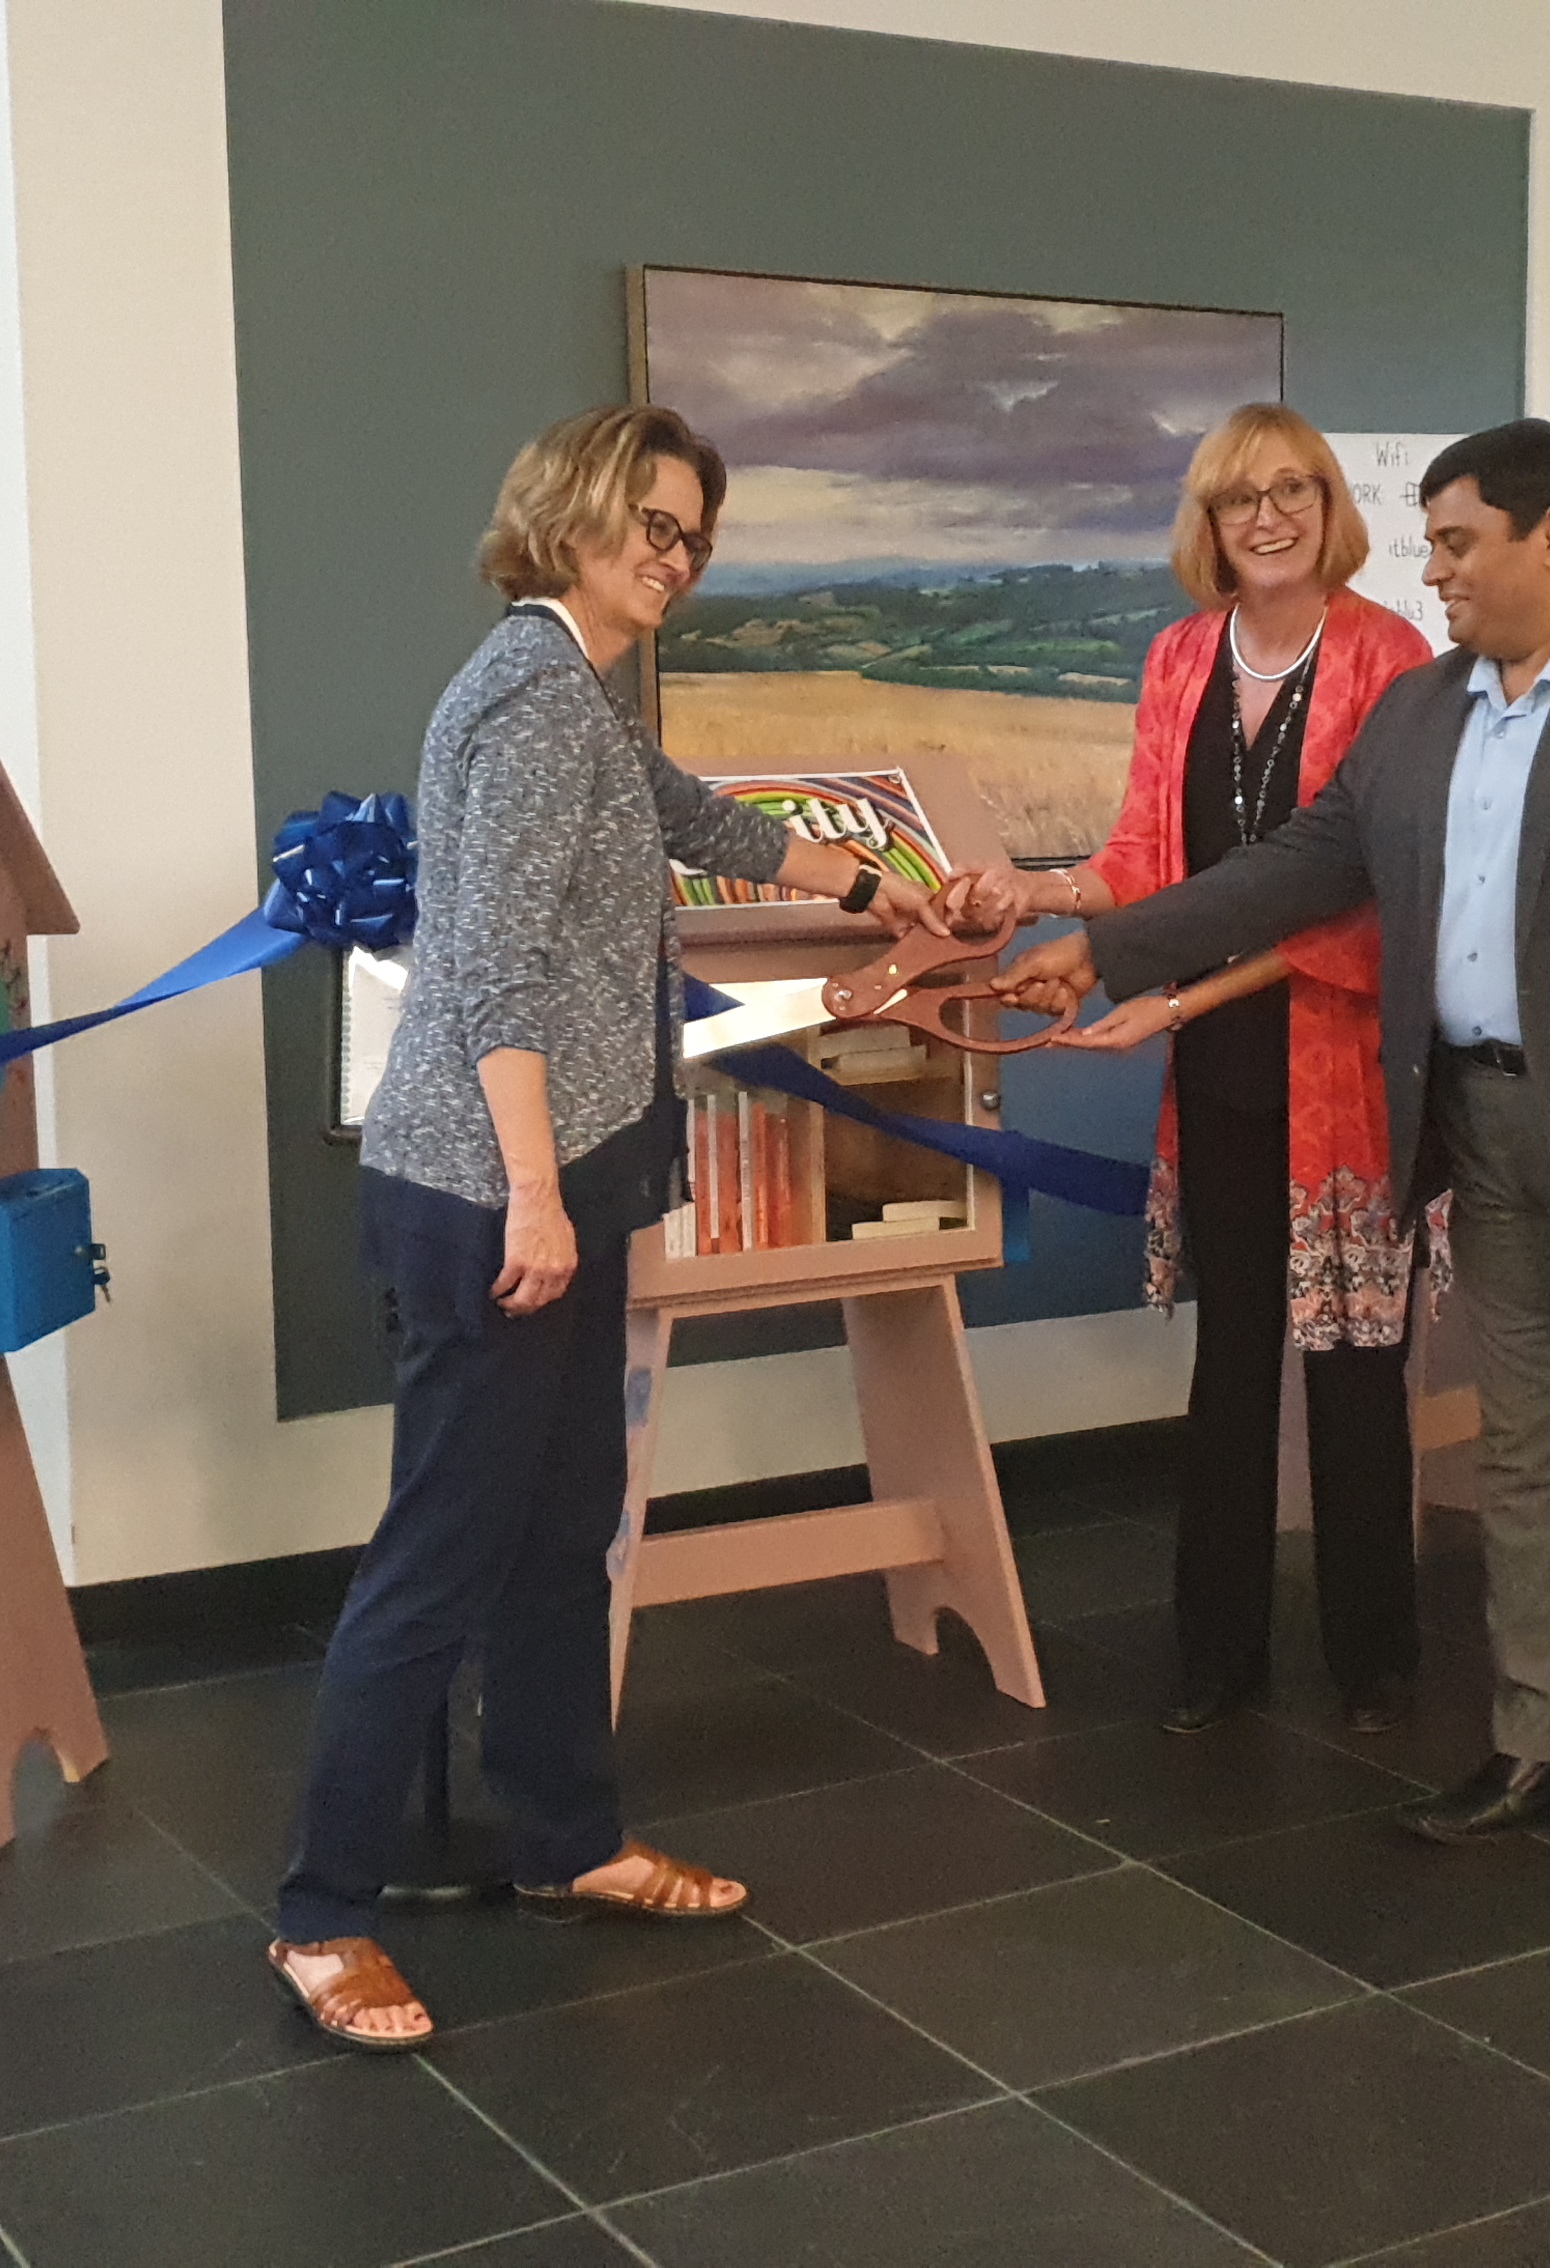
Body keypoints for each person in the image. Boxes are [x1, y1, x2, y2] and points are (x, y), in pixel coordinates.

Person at [990, 419, 1550, 1860]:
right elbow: (1300, 867)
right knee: (1529, 1458)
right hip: (1480, 1130)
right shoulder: (1427, 710)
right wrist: (1105, 950)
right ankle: (1540, 1742)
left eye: (1456, 542)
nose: (1430, 571)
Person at [268, 405, 934, 2050]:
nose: (673, 554)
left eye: (693, 533)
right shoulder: (529, 703)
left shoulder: (573, 692)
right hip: (495, 1197)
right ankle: (319, 1918)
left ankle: (567, 1840)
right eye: (650, 520)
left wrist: (873, 889)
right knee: (440, 1559)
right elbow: (484, 968)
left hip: (551, 1178)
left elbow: (698, 821)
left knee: (564, 1534)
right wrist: (540, 1196)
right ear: (567, 514)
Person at [937, 407, 1433, 1736]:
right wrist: (1037, 897)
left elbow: (1368, 901)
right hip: (1215, 1068)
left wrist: (1171, 998)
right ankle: (1218, 1660)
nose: (1266, 517)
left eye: (1291, 490)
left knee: (1356, 1365)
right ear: (1206, 528)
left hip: (1343, 1068)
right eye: (1237, 500)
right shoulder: (1176, 658)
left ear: (1331, 507)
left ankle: (1376, 1664)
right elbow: (1144, 863)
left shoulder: (1393, 657)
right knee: (1232, 1359)